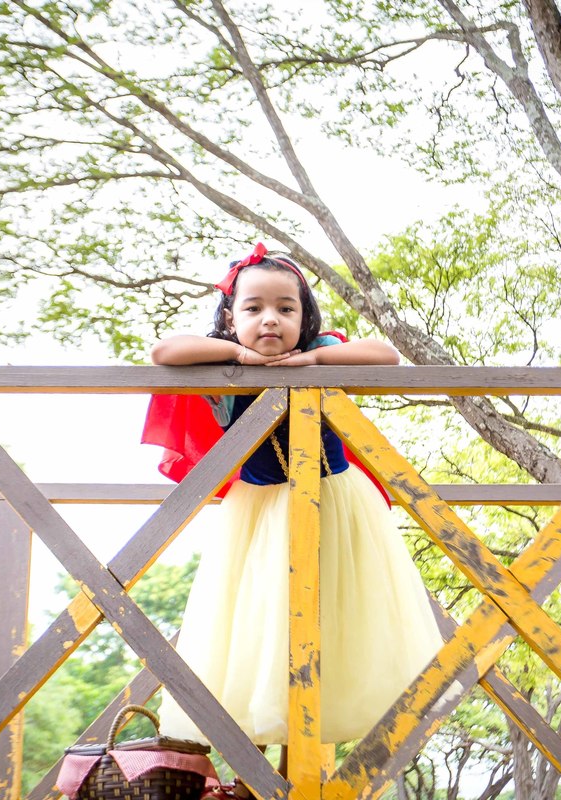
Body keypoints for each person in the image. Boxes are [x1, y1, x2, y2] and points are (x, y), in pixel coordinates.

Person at [145, 243, 445, 746]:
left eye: (286, 308)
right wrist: (237, 355)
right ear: (229, 315)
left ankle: (304, 766)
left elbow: (385, 355)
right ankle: (253, 768)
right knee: (259, 626)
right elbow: (162, 353)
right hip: (258, 513)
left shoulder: (320, 351)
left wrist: (314, 359)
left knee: (329, 621)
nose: (270, 320)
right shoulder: (223, 367)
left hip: (335, 505)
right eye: (253, 308)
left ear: (305, 318)